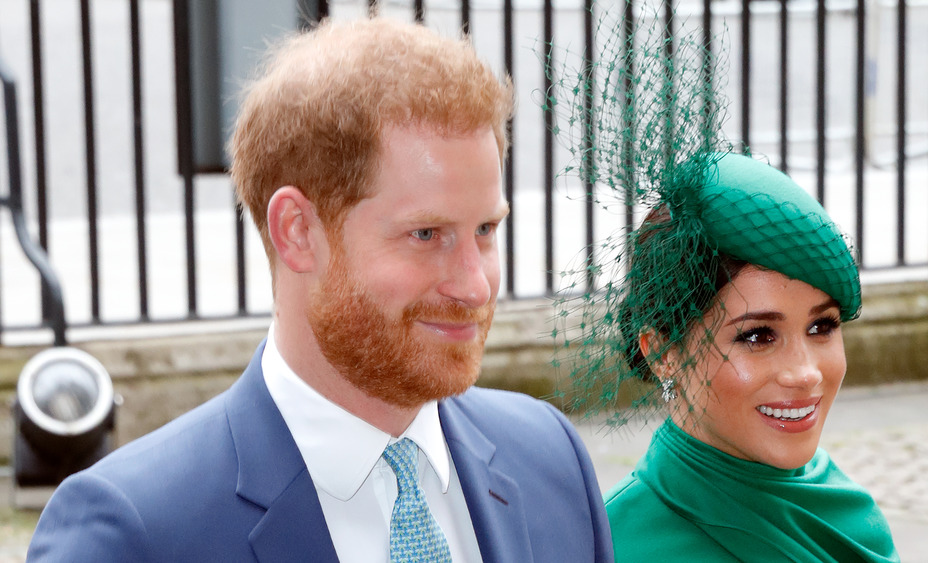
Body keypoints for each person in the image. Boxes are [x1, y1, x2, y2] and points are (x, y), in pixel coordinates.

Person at [28, 17, 613, 562]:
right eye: (426, 233)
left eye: (485, 229)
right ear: (298, 232)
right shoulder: (133, 534)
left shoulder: (551, 461)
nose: (475, 283)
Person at [599, 153, 900, 562]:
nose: (805, 372)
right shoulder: (611, 546)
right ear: (663, 352)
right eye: (758, 336)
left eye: (822, 327)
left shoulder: (849, 516)